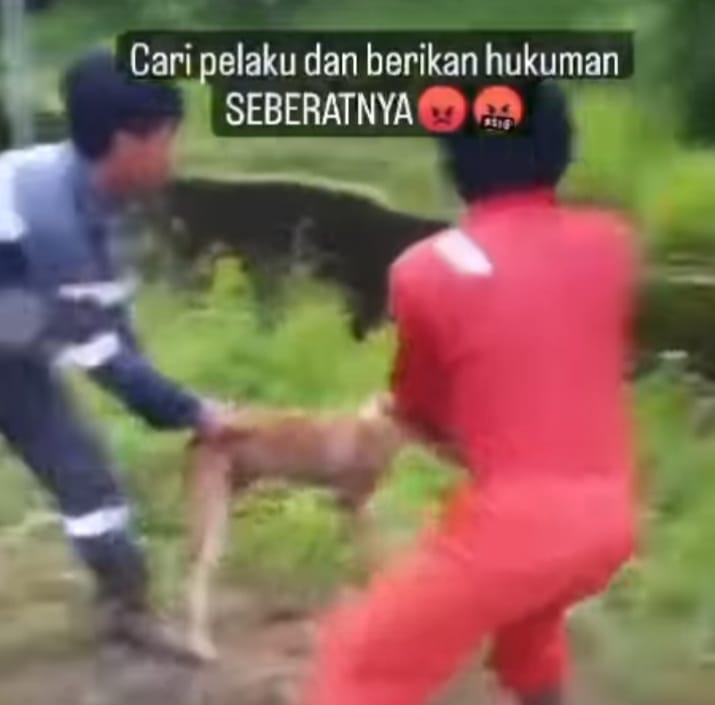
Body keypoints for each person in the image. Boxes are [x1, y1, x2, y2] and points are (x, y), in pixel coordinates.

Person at [301, 81, 638, 705]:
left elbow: (422, 408)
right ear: (562, 152)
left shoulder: (425, 269)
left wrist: (387, 417)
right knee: (529, 633)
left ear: (451, 162)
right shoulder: (612, 244)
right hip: (612, 518)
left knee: (358, 665)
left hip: (516, 528)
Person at [0, 48, 236, 660]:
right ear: (127, 143)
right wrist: (192, 411)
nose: (174, 155)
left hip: (10, 344)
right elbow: (100, 356)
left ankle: (125, 609)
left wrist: (177, 403)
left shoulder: (91, 194)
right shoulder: (50, 213)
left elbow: (109, 321)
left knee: (81, 467)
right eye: (168, 138)